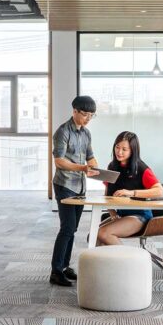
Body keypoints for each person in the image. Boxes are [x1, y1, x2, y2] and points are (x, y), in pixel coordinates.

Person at [49, 95, 99, 286]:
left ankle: (64, 266)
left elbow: (90, 157)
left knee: (73, 229)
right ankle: (56, 271)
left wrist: (97, 169)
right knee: (67, 228)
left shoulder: (86, 133)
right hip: (65, 185)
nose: (88, 118)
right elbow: (59, 161)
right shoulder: (62, 132)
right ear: (75, 111)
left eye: (91, 115)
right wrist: (83, 168)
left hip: (80, 186)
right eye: (85, 114)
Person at [97, 131, 163, 246]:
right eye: (117, 147)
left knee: (103, 233)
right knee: (94, 236)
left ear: (132, 150)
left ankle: (129, 257)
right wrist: (112, 213)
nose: (119, 152)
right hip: (122, 214)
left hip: (140, 216)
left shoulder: (141, 168)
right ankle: (109, 258)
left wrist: (131, 193)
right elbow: (107, 195)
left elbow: (161, 191)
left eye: (124, 149)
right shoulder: (112, 166)